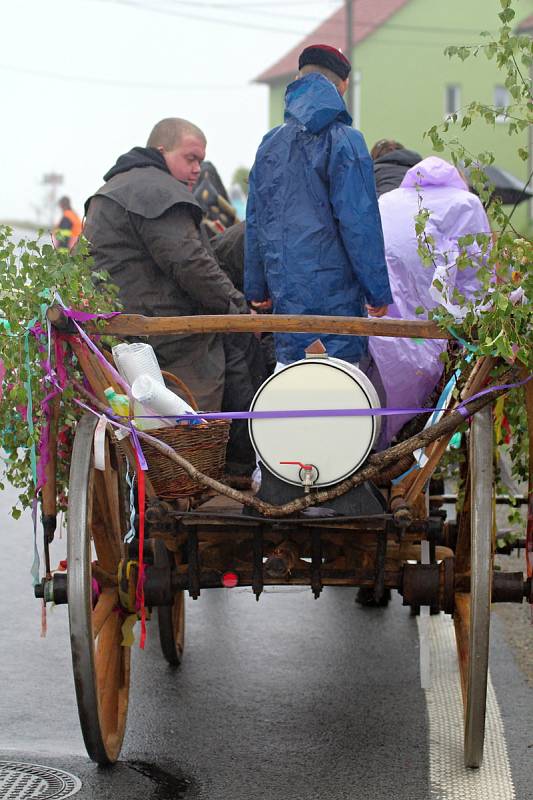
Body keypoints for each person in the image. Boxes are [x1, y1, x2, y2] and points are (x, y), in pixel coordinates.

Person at [83, 117, 248, 413]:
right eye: (190, 158)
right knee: (239, 357)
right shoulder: (157, 190)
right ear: (161, 150)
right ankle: (228, 455)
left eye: (201, 161)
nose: (197, 169)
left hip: (120, 335)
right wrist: (240, 309)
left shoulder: (114, 187)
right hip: (165, 342)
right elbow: (190, 263)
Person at [245, 44, 392, 368]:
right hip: (336, 307)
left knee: (293, 397)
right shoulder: (346, 140)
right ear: (342, 86)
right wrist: (377, 292)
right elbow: (359, 222)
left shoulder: (270, 144)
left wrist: (256, 287)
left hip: (288, 305)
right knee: (340, 401)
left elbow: (255, 219)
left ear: (297, 80)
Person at [369, 156, 491, 448]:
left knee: (373, 407)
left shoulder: (387, 201)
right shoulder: (467, 205)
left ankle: (369, 455)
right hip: (427, 333)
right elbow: (476, 280)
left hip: (375, 325)